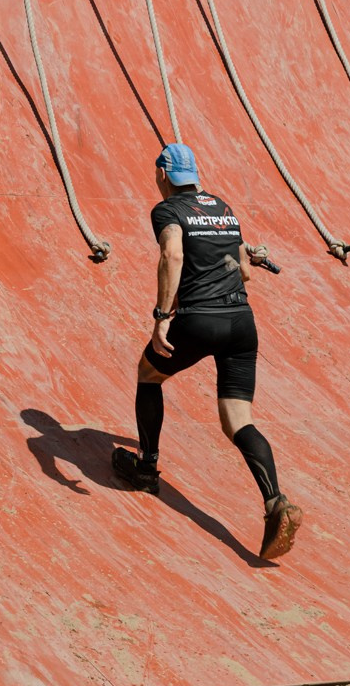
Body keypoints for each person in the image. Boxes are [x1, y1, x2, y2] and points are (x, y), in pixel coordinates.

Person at [114, 144, 303, 561]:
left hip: (198, 321)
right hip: (241, 323)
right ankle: (275, 501)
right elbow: (246, 271)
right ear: (195, 174)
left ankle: (146, 468)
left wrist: (163, 315)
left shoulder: (167, 211)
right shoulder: (223, 208)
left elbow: (173, 253)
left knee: (148, 373)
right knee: (238, 420)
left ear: (164, 175)